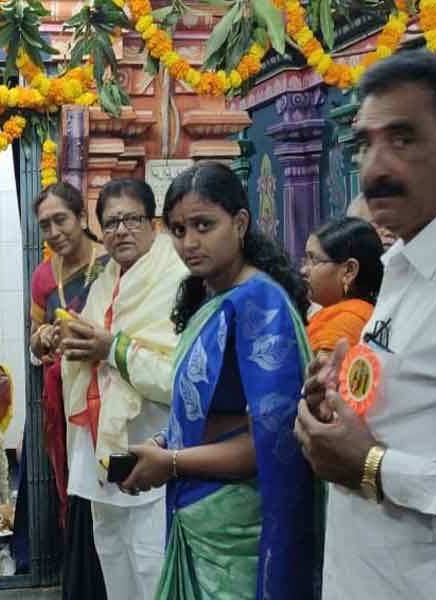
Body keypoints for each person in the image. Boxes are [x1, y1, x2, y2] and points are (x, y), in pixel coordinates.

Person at [295, 50, 436, 598]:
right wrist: (339, 395)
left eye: (402, 139)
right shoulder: (406, 262)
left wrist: (375, 467)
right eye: (365, 143)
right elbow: (423, 408)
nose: (374, 167)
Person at [120, 162, 318, 599]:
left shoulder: (258, 302)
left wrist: (170, 463)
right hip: (199, 514)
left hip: (237, 530)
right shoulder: (212, 297)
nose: (189, 243)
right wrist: (164, 441)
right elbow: (208, 412)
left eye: (203, 225)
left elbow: (271, 442)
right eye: (177, 229)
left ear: (240, 222)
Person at [60, 178, 187, 600]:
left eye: (131, 219)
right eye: (111, 223)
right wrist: (65, 341)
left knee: (152, 570)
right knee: (114, 568)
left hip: (151, 449)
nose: (121, 231)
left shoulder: (177, 278)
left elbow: (178, 378)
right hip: (100, 452)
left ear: (153, 223)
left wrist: (110, 347)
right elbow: (88, 346)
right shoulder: (105, 278)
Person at [27, 182, 108, 598]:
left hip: (109, 394)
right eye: (45, 225)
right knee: (75, 488)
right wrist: (41, 339)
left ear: (81, 217)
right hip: (64, 398)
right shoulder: (44, 275)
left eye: (61, 220)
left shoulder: (111, 263)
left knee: (109, 485)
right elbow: (34, 337)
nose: (54, 232)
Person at [301, 216, 383, 358]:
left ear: (349, 271)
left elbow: (321, 378)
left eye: (313, 260)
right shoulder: (349, 315)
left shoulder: (344, 326)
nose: (303, 270)